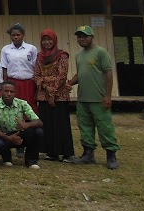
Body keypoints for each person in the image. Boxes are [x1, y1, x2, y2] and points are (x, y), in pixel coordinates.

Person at [66, 26, 120, 169]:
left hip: (99, 98)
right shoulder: (79, 55)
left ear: (92, 37)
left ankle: (111, 155)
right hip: (83, 98)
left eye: (85, 36)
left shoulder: (101, 52)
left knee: (105, 126)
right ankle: (88, 154)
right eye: (79, 36)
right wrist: (70, 83)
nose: (82, 39)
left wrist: (108, 95)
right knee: (85, 127)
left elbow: (108, 73)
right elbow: (81, 73)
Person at [33, 29, 74, 161]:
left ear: (54, 40)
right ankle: (52, 152)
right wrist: (45, 87)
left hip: (60, 95)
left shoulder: (62, 56)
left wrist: (53, 93)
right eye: (44, 40)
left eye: (49, 39)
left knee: (61, 124)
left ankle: (66, 153)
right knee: (48, 124)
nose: (47, 42)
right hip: (43, 94)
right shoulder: (39, 57)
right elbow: (37, 75)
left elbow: (62, 76)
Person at [0, 81, 44, 169]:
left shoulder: (22, 103)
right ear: (1, 91)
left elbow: (39, 122)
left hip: (21, 135)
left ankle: (31, 161)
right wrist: (9, 138)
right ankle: (7, 158)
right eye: (6, 91)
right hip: (5, 136)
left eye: (11, 92)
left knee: (38, 132)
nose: (9, 94)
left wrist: (27, 125)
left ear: (15, 93)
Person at [1, 23, 38, 113]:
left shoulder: (31, 49)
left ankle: (29, 125)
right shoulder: (6, 49)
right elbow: (4, 68)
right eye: (13, 35)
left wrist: (36, 84)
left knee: (29, 106)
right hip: (13, 83)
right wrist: (5, 84)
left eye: (18, 35)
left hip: (28, 83)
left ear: (23, 35)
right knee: (14, 107)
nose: (16, 37)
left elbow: (36, 67)